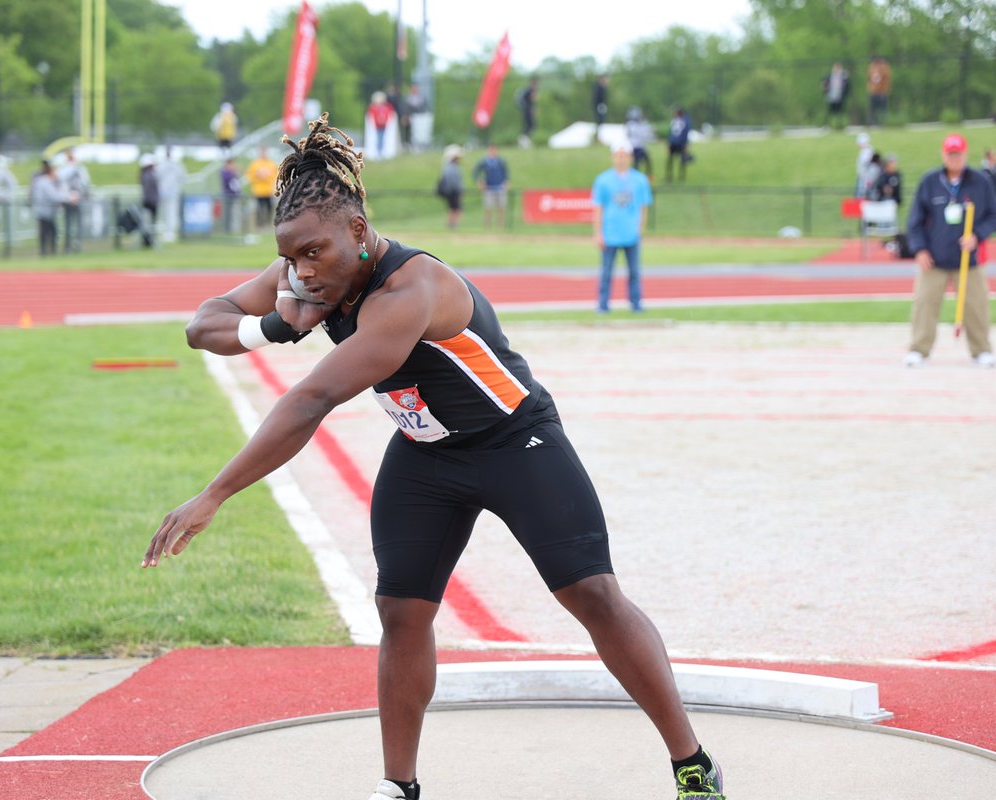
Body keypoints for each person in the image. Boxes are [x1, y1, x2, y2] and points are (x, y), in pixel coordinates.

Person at [141, 112, 727, 800]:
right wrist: (272, 321)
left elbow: (312, 400)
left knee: (591, 593)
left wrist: (213, 494)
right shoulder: (314, 271)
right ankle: (399, 784)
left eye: (313, 255)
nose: (301, 271)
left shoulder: (410, 289)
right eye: (290, 257)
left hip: (516, 441)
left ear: (357, 232)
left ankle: (692, 763)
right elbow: (200, 325)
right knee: (402, 612)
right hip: (426, 454)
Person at [903, 133, 996, 369]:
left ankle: (981, 351)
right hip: (935, 258)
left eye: (958, 154)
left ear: (965, 154)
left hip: (969, 260)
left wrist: (977, 235)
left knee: (976, 306)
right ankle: (919, 350)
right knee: (925, 304)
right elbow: (914, 221)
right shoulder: (930, 181)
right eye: (950, 154)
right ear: (943, 154)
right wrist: (920, 250)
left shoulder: (980, 181)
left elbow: (994, 216)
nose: (954, 158)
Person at [592, 142, 653, 313]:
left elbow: (644, 206)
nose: (621, 159)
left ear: (630, 157)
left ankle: (636, 303)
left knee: (634, 271)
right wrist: (598, 233)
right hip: (610, 233)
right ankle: (603, 305)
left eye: (624, 155)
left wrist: (640, 228)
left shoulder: (640, 180)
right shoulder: (603, 180)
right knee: (606, 272)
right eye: (618, 155)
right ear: (613, 157)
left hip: (630, 233)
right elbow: (598, 208)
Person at [57, 148, 91, 253]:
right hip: (69, 200)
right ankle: (69, 246)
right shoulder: (65, 169)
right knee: (69, 224)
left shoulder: (79, 169)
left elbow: (85, 183)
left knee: (76, 224)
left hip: (77, 199)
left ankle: (76, 244)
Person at [29, 159, 64, 256]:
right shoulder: (44, 181)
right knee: (47, 231)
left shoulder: (45, 180)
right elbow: (53, 196)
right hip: (44, 211)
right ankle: (46, 251)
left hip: (48, 211)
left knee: (49, 231)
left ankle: (48, 250)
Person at [471, 144, 509, 229]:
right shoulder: (484, 162)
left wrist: (506, 182)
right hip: (489, 187)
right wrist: (480, 181)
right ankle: (487, 226)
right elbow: (476, 172)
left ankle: (500, 225)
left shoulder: (501, 161)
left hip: (500, 187)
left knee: (501, 207)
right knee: (488, 207)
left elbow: (506, 173)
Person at [157, 146, 187, 243]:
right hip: (169, 193)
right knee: (170, 212)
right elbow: (183, 177)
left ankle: (169, 232)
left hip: (168, 192)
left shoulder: (163, 165)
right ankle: (168, 232)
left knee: (168, 213)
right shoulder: (176, 165)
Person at [245, 146, 279, 230]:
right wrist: (258, 176)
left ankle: (268, 224)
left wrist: (266, 177)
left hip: (268, 190)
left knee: (269, 208)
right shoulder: (255, 164)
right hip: (258, 191)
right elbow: (249, 176)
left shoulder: (271, 163)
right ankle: (260, 225)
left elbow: (276, 175)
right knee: (259, 209)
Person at [436, 144, 463, 230]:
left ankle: (451, 224)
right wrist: (456, 190)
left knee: (452, 208)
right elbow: (453, 181)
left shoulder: (449, 167)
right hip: (453, 191)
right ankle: (452, 224)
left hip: (452, 191)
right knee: (456, 209)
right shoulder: (451, 167)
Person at [366, 91, 397, 160]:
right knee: (378, 139)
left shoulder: (387, 107)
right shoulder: (373, 108)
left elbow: (390, 114)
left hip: (384, 126)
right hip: (377, 126)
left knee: (383, 139)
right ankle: (378, 153)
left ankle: (382, 152)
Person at [665, 107, 693, 184]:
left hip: (677, 142)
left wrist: (669, 143)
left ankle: (675, 176)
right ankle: (675, 176)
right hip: (679, 142)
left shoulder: (676, 120)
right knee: (676, 160)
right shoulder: (685, 120)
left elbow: (671, 133)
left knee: (675, 160)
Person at [625, 106, 652, 179]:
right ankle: (636, 176)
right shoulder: (632, 124)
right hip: (636, 147)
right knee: (637, 163)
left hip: (639, 146)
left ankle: (648, 175)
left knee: (646, 161)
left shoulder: (632, 124)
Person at [139, 154, 160, 246]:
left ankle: (148, 241)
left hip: (149, 203)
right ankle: (148, 242)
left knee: (149, 224)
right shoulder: (148, 175)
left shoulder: (146, 175)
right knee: (149, 224)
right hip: (150, 203)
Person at [822, 62, 850, 126]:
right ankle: (829, 124)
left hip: (840, 97)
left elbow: (847, 86)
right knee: (831, 111)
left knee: (840, 111)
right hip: (831, 96)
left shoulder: (843, 77)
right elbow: (824, 83)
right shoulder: (829, 76)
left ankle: (840, 124)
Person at [866, 55, 891, 126]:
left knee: (883, 109)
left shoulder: (884, 67)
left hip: (882, 92)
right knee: (873, 109)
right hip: (873, 92)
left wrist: (885, 90)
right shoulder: (871, 67)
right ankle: (873, 123)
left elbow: (887, 79)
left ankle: (883, 122)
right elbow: (868, 78)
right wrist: (870, 88)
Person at [220, 157, 241, 235]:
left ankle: (234, 230)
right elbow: (227, 181)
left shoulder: (234, 173)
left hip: (234, 196)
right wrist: (233, 172)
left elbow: (236, 184)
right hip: (227, 195)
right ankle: (225, 230)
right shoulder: (224, 172)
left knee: (234, 214)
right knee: (226, 214)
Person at [516, 77, 539, 148]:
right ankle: (523, 139)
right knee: (530, 125)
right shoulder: (530, 90)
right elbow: (532, 100)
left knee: (530, 125)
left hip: (526, 109)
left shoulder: (527, 90)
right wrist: (532, 109)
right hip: (527, 109)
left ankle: (524, 139)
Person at [854, 132, 873, 197]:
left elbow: (866, 168)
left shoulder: (866, 153)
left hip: (864, 179)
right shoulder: (865, 151)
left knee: (859, 197)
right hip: (863, 177)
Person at [592, 74, 609, 140]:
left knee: (601, 122)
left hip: (600, 107)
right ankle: (598, 138)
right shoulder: (598, 87)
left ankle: (599, 137)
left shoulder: (601, 87)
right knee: (599, 122)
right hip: (599, 107)